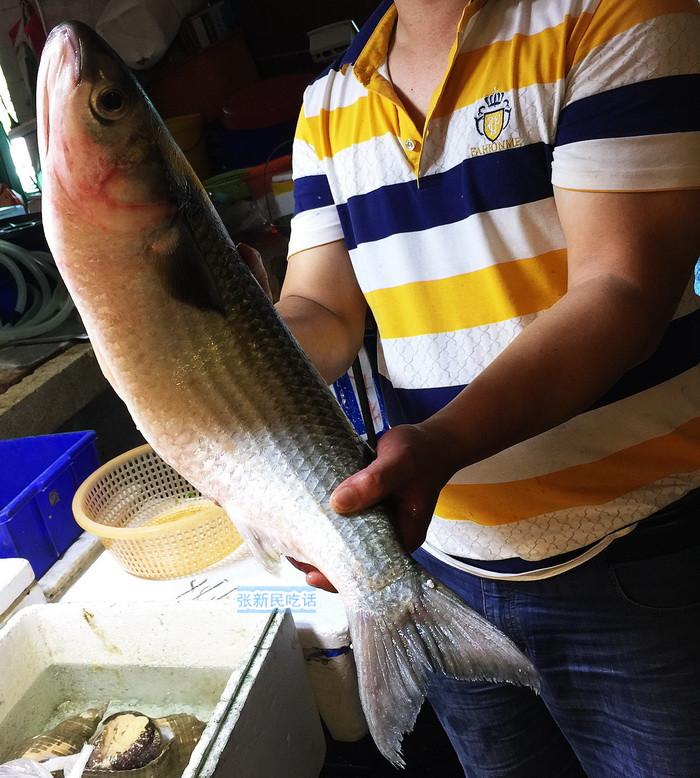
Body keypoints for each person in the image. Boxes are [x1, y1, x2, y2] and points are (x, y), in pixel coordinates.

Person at [244, 0, 700, 774]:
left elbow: (622, 291)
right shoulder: (328, 102)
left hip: (636, 560)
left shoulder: (611, 13)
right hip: (438, 565)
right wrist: (220, 348)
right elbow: (321, 310)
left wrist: (444, 443)